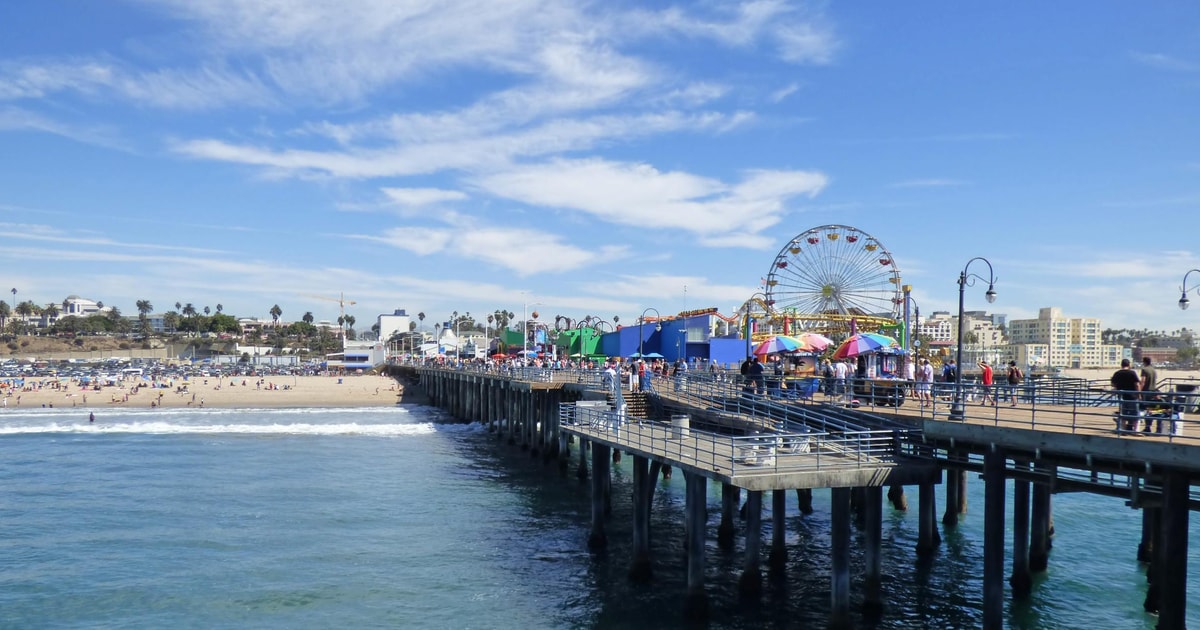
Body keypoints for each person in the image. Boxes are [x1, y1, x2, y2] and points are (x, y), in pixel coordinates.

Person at [1111, 358, 1142, 432]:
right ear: (1129, 365)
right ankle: (1136, 430)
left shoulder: (1117, 373)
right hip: (1132, 396)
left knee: (1123, 414)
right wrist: (1139, 394)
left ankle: (1123, 429)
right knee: (1135, 413)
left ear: (1121, 365)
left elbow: (1113, 384)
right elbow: (1137, 384)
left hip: (1122, 396)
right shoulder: (1132, 373)